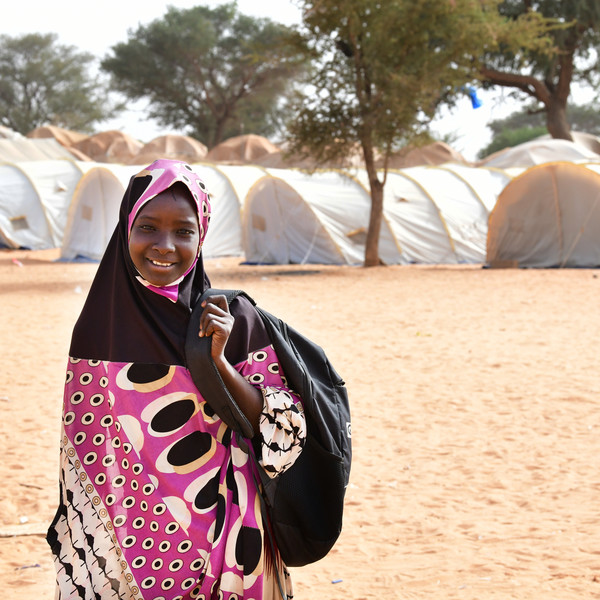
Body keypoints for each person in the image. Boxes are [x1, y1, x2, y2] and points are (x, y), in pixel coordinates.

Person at [47, 159, 306, 600]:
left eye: (184, 232)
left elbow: (287, 434)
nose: (164, 246)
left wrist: (219, 363)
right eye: (148, 227)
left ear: (201, 236)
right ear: (126, 227)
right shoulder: (96, 329)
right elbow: (85, 456)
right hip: (124, 555)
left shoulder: (234, 318)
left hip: (230, 544)